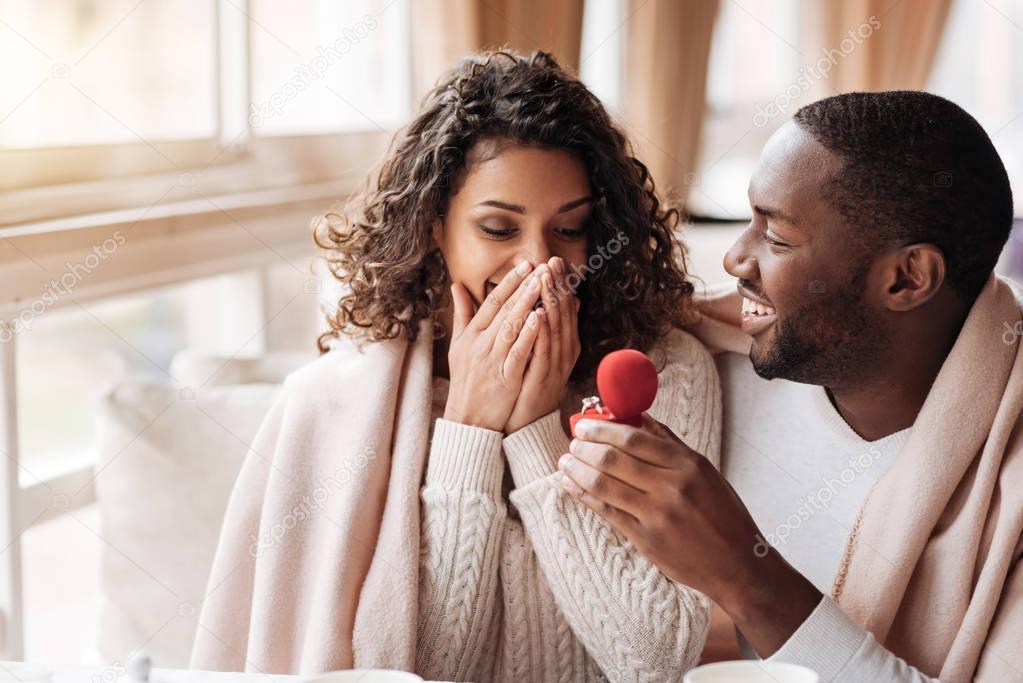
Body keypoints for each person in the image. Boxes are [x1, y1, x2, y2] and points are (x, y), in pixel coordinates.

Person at [191, 50, 721, 682]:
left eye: (570, 229)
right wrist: (468, 428)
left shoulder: (664, 372)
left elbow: (656, 660)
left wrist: (533, 431)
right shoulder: (337, 403)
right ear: (435, 226)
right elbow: (414, 671)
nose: (539, 265)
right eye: (499, 228)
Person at [560, 91, 1023, 682]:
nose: (733, 260)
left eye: (776, 238)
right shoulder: (701, 371)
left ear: (907, 278)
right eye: (748, 220)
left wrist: (744, 574)